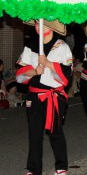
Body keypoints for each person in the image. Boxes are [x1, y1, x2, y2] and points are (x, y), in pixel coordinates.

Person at [16, 20, 73, 175]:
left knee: (55, 132)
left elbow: (66, 76)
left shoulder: (62, 47)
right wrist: (35, 71)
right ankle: (33, 169)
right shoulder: (31, 46)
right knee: (34, 133)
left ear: (52, 27)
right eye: (35, 24)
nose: (37, 27)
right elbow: (20, 74)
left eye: (41, 24)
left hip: (53, 95)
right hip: (34, 95)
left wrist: (48, 63)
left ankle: (61, 166)